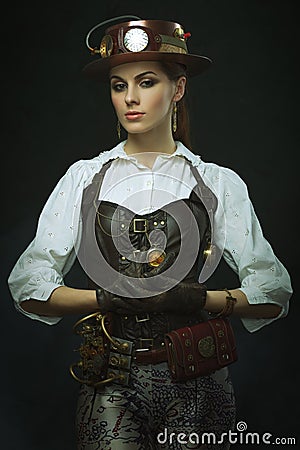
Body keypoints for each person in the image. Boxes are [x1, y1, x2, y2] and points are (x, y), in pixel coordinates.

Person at [7, 16, 292, 450]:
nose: (130, 98)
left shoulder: (218, 183)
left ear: (177, 89)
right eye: (119, 86)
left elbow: (273, 294)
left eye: (146, 82)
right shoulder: (83, 179)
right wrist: (103, 299)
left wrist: (201, 300)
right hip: (110, 379)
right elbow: (28, 285)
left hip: (198, 382)